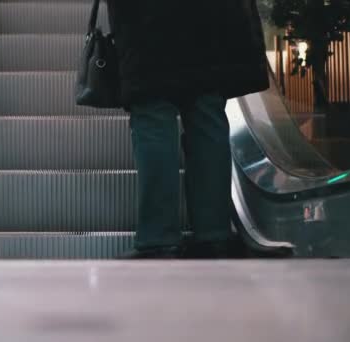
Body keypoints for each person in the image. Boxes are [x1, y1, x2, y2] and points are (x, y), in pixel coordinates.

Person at [106, 0, 270, 258]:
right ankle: (214, 235)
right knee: (206, 115)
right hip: (210, 20)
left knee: (153, 117)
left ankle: (158, 239)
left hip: (146, 24)